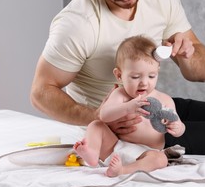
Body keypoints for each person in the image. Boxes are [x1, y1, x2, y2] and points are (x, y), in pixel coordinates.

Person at [30, 0, 205, 155]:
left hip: (155, 107)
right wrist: (98, 116)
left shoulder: (162, 1)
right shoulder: (77, 24)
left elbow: (201, 73)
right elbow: (40, 92)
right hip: (128, 130)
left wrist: (186, 55)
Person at [73, 35, 185, 177]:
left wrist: (178, 128)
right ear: (119, 75)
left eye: (151, 76)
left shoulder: (165, 100)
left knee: (160, 159)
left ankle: (124, 170)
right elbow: (104, 115)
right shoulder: (120, 95)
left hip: (146, 153)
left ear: (158, 71)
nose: (144, 82)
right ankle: (92, 154)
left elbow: (180, 126)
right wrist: (128, 107)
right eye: (135, 77)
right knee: (95, 125)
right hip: (116, 147)